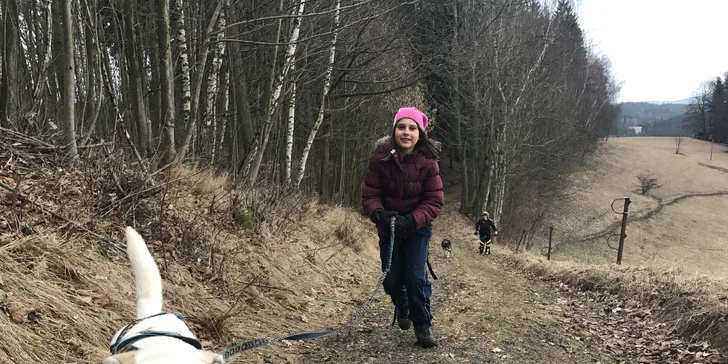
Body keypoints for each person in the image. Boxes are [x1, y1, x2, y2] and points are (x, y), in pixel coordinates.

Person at [361, 106, 444, 348]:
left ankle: (422, 325)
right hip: (389, 229)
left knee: (416, 276)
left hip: (417, 229)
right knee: (392, 280)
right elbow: (370, 195)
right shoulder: (379, 159)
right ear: (394, 129)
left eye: (412, 128)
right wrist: (378, 214)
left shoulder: (429, 163)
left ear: (420, 133)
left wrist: (413, 219)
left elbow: (434, 201)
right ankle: (402, 303)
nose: (406, 132)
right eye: (401, 127)